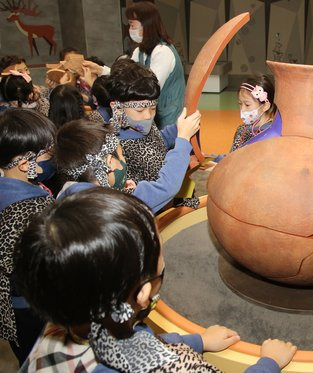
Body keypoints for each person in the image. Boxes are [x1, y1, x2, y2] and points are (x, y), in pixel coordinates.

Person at [15, 188, 297, 372]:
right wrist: (269, 363)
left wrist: (196, 341)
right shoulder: (172, 368)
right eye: (159, 261)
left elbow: (134, 340)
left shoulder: (63, 323)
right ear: (142, 293)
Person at [55, 109, 200, 213]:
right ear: (109, 162)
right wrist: (182, 140)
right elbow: (166, 186)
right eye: (122, 155)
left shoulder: (68, 197)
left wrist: (119, 189)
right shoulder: (118, 205)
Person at [0, 109, 56, 365]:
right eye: (48, 154)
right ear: (25, 163)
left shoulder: (12, 186)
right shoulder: (26, 211)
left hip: (21, 303)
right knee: (38, 359)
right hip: (30, 307)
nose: (53, 158)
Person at [84, 2, 185, 128]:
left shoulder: (163, 52)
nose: (130, 29)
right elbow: (127, 76)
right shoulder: (140, 51)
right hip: (153, 115)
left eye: (132, 24)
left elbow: (149, 88)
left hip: (168, 118)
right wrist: (99, 70)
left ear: (147, 24)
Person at [108, 61, 184, 187]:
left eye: (153, 108)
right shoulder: (117, 147)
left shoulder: (140, 122)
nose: (148, 116)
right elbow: (162, 187)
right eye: (139, 110)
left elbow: (157, 141)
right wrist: (182, 144)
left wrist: (179, 128)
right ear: (117, 107)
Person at [230, 74, 276, 152]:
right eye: (240, 104)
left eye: (247, 105)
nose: (242, 109)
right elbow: (231, 158)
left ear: (265, 106)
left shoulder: (271, 136)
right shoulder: (242, 130)